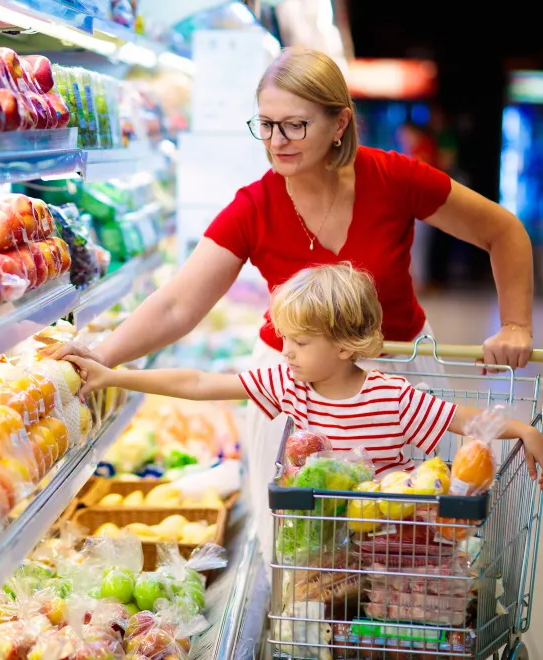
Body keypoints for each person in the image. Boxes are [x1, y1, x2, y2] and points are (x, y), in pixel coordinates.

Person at [41, 46, 534, 562]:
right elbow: (176, 306)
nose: (277, 142)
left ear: (339, 122)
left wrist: (517, 323)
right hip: (296, 392)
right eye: (267, 125)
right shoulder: (254, 206)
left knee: (411, 541)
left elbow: (503, 232)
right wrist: (102, 356)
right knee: (305, 554)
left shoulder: (393, 178)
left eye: (295, 125)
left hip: (400, 383)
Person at [64, 263, 543, 484]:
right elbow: (198, 384)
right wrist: (112, 374)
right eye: (285, 339)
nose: (285, 352)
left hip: (388, 545)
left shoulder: (392, 397)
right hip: (317, 549)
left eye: (300, 342)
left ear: (344, 346)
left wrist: (522, 429)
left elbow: (459, 418)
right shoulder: (288, 384)